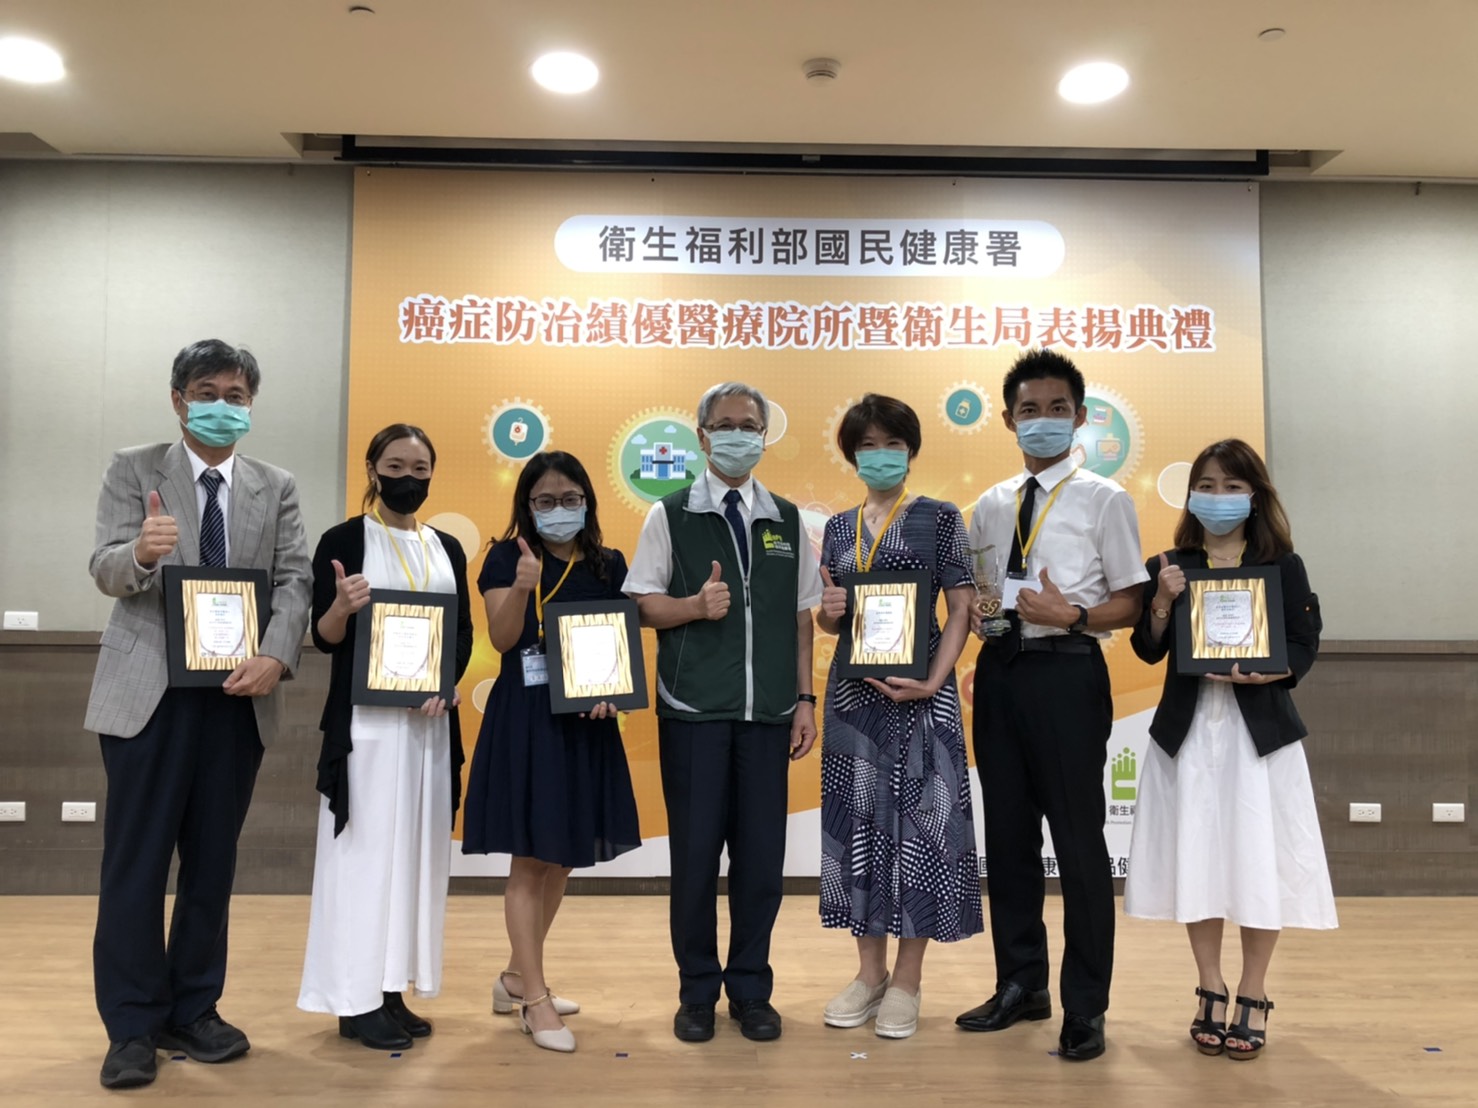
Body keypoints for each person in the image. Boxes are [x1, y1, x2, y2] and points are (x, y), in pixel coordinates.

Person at [85, 339, 312, 1090]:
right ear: (179, 400)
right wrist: (142, 554)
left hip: (236, 697)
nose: (223, 405)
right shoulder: (135, 468)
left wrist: (276, 656)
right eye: (208, 392)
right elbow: (104, 567)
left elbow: (295, 579)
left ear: (251, 405)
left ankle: (194, 1008)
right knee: (137, 864)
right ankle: (131, 1025)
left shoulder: (274, 485)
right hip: (148, 695)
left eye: (237, 395)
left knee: (212, 863)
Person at [957, 349, 1147, 1062]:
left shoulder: (1105, 499)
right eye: (1029, 410)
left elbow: (1130, 601)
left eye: (1057, 408)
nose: (1043, 420)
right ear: (1009, 420)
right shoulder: (990, 504)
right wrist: (983, 617)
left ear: (1081, 415)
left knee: (1078, 842)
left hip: (1068, 671)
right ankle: (1021, 985)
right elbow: (981, 588)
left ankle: (1086, 1006)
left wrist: (1073, 615)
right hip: (1000, 672)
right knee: (1007, 840)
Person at [624, 381, 822, 1045]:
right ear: (703, 435)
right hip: (694, 713)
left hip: (769, 715)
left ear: (764, 436)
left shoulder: (785, 518)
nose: (739, 435)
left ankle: (752, 991)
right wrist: (692, 607)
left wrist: (804, 700)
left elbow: (801, 618)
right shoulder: (670, 513)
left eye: (750, 425)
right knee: (696, 861)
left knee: (762, 863)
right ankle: (697, 994)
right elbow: (642, 603)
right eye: (726, 424)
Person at [1125, 438, 1332, 1061]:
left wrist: (1273, 671)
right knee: (1199, 859)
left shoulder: (1282, 565)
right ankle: (1209, 987)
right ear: (1191, 495)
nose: (1219, 498)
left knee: (1258, 860)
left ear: (1255, 495)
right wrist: (1162, 600)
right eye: (1207, 486)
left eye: (1232, 486)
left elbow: (1304, 641)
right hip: (1188, 734)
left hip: (1258, 739)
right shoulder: (1169, 563)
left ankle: (1254, 991)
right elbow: (1147, 648)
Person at [297, 424, 474, 1050]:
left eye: (420, 468)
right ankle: (354, 999)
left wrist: (447, 683)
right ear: (373, 469)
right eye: (395, 466)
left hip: (428, 728)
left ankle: (391, 987)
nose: (408, 478)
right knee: (363, 859)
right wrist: (342, 606)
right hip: (365, 731)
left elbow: (460, 634)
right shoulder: (344, 540)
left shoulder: (446, 547)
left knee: (413, 860)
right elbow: (324, 637)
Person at [462, 450, 641, 1053]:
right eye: (545, 501)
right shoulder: (507, 557)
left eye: (570, 499)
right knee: (531, 860)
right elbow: (503, 638)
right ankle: (534, 1001)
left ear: (587, 501)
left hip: (587, 724)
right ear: (527, 505)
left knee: (561, 859)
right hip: (528, 722)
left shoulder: (609, 563)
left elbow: (616, 645)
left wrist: (610, 694)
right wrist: (522, 586)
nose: (559, 509)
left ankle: (518, 976)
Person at [814, 395, 982, 1040]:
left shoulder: (940, 517)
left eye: (892, 443)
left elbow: (961, 607)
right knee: (858, 824)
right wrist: (829, 612)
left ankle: (908, 980)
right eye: (867, 445)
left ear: (910, 451)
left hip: (923, 696)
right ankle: (869, 974)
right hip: (854, 699)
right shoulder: (837, 528)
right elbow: (831, 617)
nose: (880, 455)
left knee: (920, 831)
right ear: (851, 455)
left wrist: (935, 681)